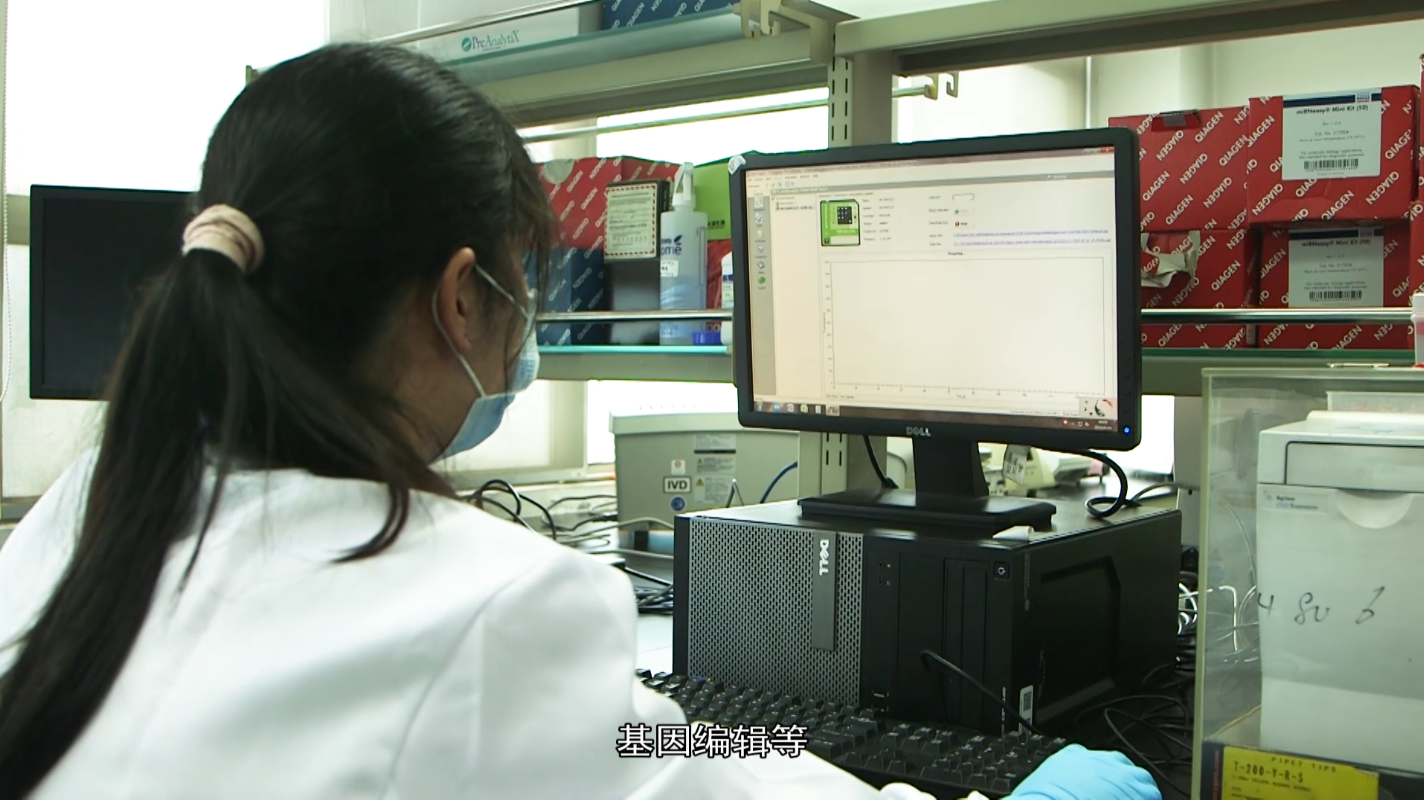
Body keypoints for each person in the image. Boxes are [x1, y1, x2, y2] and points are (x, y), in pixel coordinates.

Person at [0, 44, 1161, 800]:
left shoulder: (92, 505)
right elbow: (639, 754)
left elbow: (648, 742)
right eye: (524, 278)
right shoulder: (486, 602)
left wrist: (753, 735)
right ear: (460, 297)